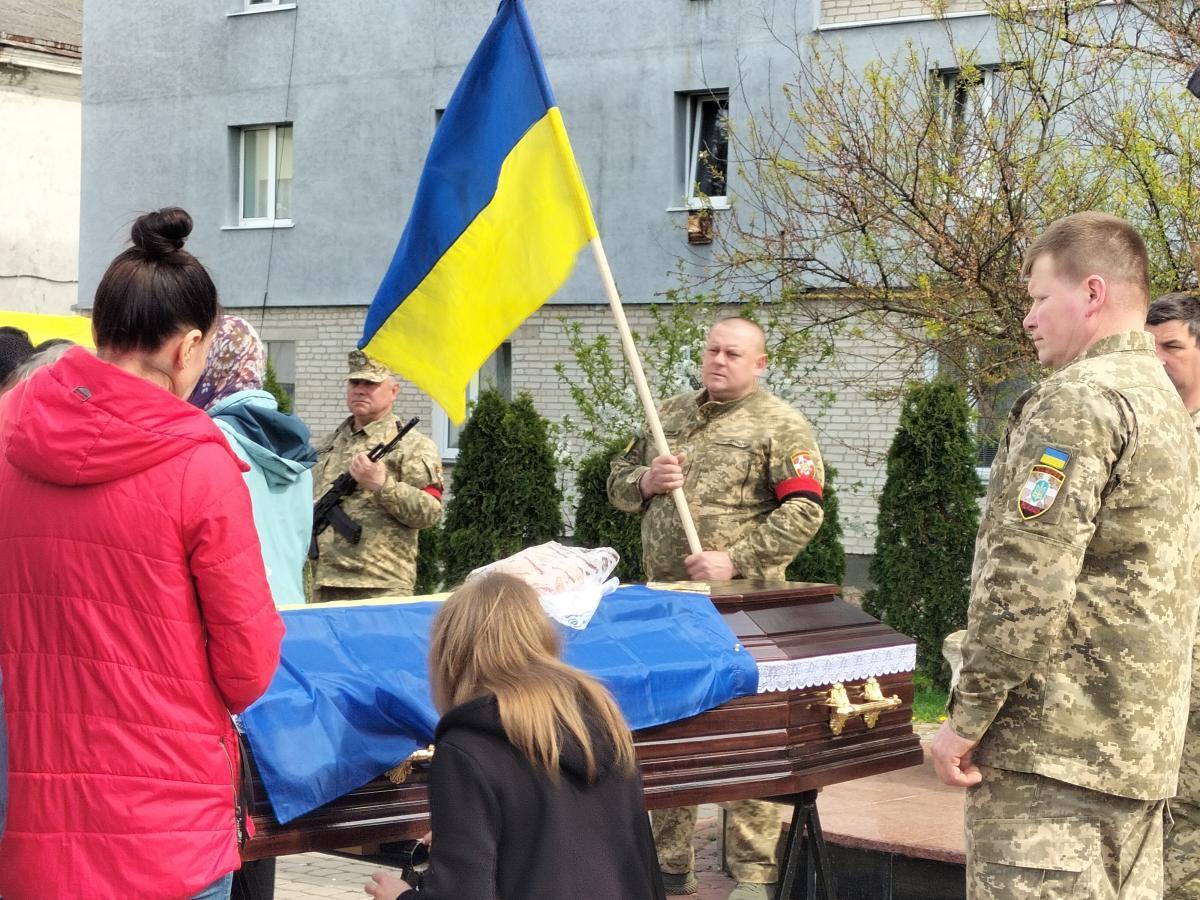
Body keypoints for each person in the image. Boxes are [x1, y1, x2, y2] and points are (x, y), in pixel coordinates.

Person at [0, 207, 285, 900]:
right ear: (188, 347)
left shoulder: (9, 434)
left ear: (100, 329)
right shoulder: (199, 466)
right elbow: (248, 668)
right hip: (165, 828)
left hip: (28, 820)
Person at [931, 212, 1200, 898]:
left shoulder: (1080, 399)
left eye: (1038, 296)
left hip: (1054, 761)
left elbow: (1027, 586)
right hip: (1137, 755)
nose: (1027, 318)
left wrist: (966, 719)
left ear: (1091, 293)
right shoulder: (1164, 403)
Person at [607, 316, 826, 899]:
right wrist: (646, 481)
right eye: (712, 350)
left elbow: (804, 510)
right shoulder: (668, 414)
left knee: (744, 735)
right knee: (668, 729)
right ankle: (667, 863)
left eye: (733, 353)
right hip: (665, 604)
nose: (719, 360)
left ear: (760, 363)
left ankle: (752, 873)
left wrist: (737, 559)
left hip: (739, 607)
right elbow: (617, 484)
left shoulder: (781, 424)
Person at [363, 572, 666, 900]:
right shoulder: (601, 720)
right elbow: (631, 862)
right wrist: (467, 834)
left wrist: (401, 897)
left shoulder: (467, 748)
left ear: (451, 655)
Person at [190, 314, 317, 607]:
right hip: (290, 610)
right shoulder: (295, 447)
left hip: (237, 615)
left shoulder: (210, 442)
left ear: (210, 364)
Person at [310, 350, 443, 601]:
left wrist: (382, 485)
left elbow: (429, 512)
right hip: (325, 583)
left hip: (381, 585)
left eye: (370, 383)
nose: (360, 390)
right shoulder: (328, 444)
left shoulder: (413, 446)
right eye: (355, 382)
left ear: (394, 391)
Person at [1146, 291, 1200, 898]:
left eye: (1172, 346)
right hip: (1155, 667)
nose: (1158, 359)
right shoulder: (1145, 431)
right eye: (1148, 347)